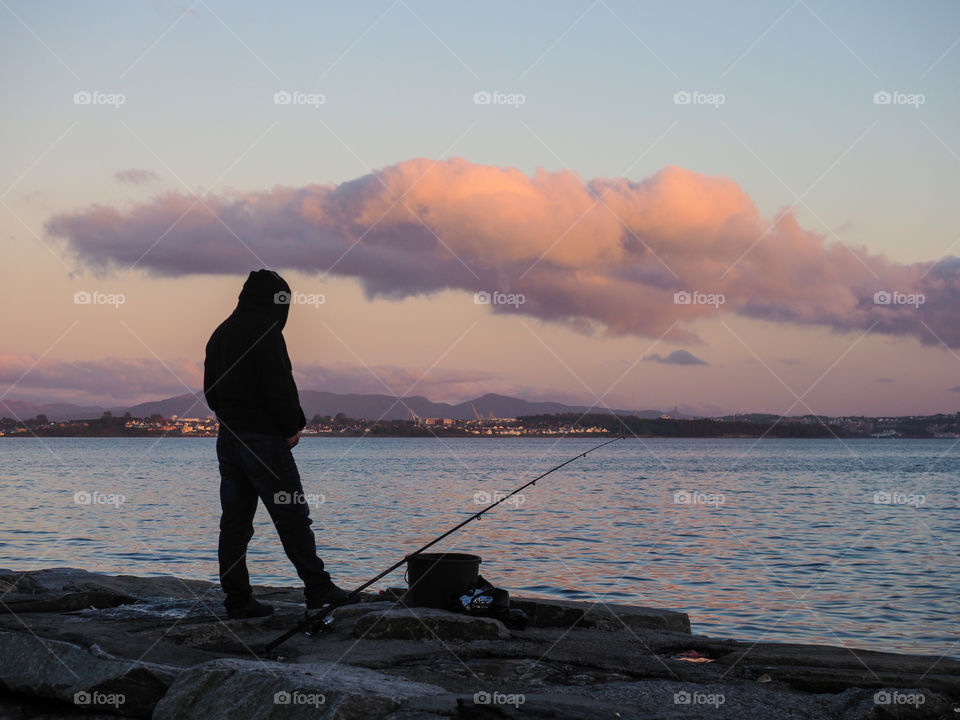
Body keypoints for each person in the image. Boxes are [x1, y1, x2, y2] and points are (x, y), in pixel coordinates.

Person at [203, 269, 351, 619]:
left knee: (235, 522)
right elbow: (279, 387)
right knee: (293, 516)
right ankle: (318, 589)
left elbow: (211, 392)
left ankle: (238, 600)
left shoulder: (220, 333)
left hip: (229, 439)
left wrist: (230, 416)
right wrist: (291, 427)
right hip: (265, 441)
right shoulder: (265, 331)